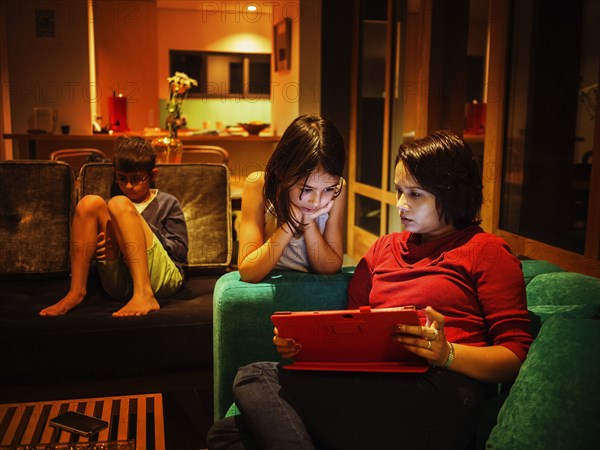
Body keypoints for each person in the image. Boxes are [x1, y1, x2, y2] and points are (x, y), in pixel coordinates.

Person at [207, 130, 533, 450]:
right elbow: (352, 333)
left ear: (453, 192)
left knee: (256, 379)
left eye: (416, 194)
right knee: (228, 434)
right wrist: (305, 348)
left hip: (442, 391)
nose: (400, 204)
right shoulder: (383, 250)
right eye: (399, 190)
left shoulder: (486, 251)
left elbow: (515, 357)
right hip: (379, 386)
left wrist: (446, 353)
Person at [40, 136, 188, 317]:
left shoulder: (167, 203)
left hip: (160, 278)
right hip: (120, 283)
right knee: (89, 203)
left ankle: (144, 294)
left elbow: (180, 251)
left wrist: (140, 228)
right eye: (122, 178)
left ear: (153, 175)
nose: (128, 185)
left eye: (136, 179)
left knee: (119, 203)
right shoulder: (111, 207)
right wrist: (99, 252)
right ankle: (76, 292)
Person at [237, 114, 347, 283]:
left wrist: (309, 223)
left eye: (328, 189)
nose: (316, 202)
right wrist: (289, 224)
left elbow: (330, 268)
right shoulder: (258, 186)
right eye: (306, 189)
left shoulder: (338, 188)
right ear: (283, 173)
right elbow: (248, 272)